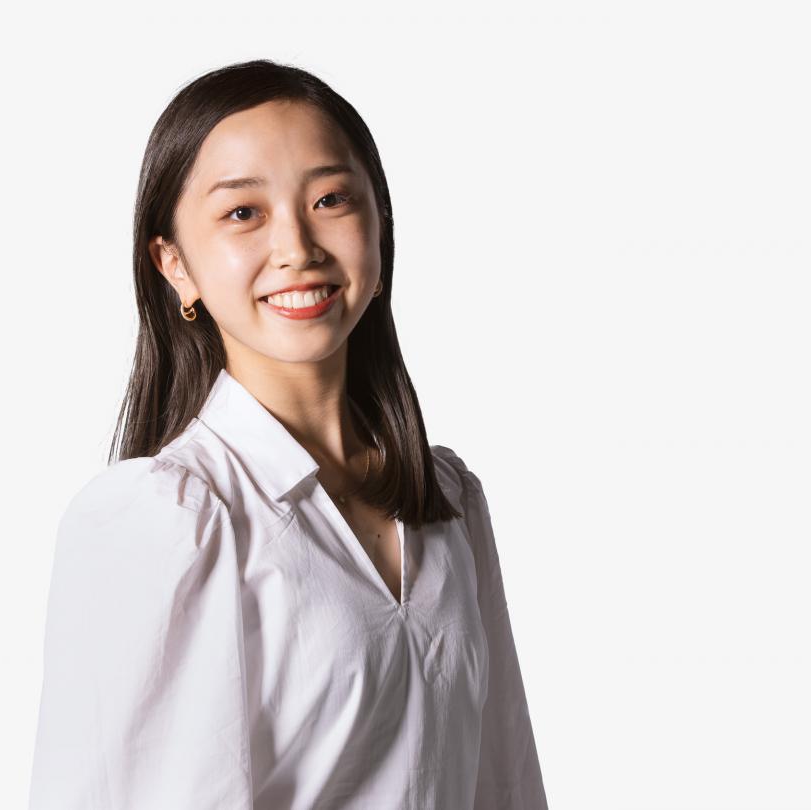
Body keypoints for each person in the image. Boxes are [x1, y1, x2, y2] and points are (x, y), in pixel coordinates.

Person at [27, 59, 547, 810]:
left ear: (381, 224)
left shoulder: (449, 501)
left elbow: (505, 780)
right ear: (175, 265)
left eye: (331, 199)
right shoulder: (170, 520)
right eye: (243, 213)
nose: (297, 246)